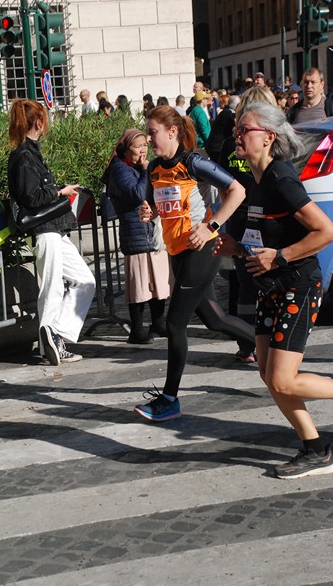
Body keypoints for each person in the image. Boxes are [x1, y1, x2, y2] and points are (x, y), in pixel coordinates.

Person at [213, 102, 333, 479]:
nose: (238, 135)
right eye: (236, 129)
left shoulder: (282, 179)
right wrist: (236, 248)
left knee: (283, 377)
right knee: (268, 374)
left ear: (269, 136)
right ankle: (315, 448)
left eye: (244, 129)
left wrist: (279, 257)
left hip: (299, 284)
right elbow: (261, 232)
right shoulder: (255, 180)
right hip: (272, 288)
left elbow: (326, 231)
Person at [134, 105, 255, 422]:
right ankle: (265, 345)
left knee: (175, 324)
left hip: (202, 250)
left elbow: (237, 191)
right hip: (178, 253)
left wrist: (212, 227)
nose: (148, 139)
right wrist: (150, 213)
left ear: (171, 132)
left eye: (153, 132)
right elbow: (162, 207)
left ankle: (169, 399)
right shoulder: (155, 169)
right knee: (214, 319)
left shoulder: (194, 162)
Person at [7, 99, 95, 365]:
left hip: (54, 229)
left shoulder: (29, 152)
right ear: (38, 122)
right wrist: (60, 193)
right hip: (44, 230)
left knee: (84, 280)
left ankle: (55, 333)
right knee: (52, 287)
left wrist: (60, 191)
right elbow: (32, 197)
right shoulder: (23, 155)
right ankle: (51, 338)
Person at [218, 86, 279, 364]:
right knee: (262, 280)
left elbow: (223, 187)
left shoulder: (233, 144)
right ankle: (264, 340)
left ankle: (246, 344)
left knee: (246, 283)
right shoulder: (256, 144)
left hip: (241, 218)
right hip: (259, 218)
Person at [101, 129, 172, 344]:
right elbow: (139, 194)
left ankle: (158, 323)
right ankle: (137, 330)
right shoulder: (120, 169)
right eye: (137, 146)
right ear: (126, 149)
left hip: (149, 230)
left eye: (144, 146)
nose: (143, 151)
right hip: (135, 232)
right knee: (140, 284)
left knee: (157, 279)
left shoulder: (133, 167)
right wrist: (145, 170)